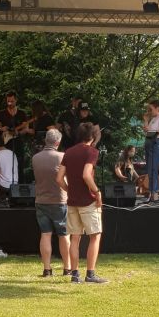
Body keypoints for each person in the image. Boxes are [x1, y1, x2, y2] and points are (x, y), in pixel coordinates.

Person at [57, 120, 105, 284]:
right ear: (93, 136)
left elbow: (59, 178)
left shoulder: (69, 152)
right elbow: (86, 175)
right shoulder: (92, 152)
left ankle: (75, 275)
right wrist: (97, 192)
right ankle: (90, 274)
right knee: (95, 236)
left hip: (72, 202)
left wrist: (69, 190)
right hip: (88, 201)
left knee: (74, 238)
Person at [31, 127, 69, 277]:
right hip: (59, 200)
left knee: (45, 234)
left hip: (41, 200)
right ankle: (67, 268)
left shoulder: (35, 158)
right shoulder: (62, 157)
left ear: (46, 140)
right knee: (63, 235)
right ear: (58, 142)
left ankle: (47, 269)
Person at [143, 101, 159, 201]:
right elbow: (146, 130)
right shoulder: (153, 119)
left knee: (154, 169)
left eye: (151, 109)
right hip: (149, 143)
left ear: (157, 108)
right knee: (149, 169)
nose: (149, 111)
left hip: (157, 144)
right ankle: (151, 192)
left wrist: (154, 132)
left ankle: (154, 193)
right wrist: (146, 120)